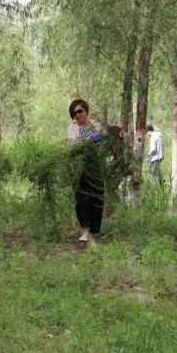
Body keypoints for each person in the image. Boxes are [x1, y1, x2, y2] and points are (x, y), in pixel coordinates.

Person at [67, 99, 104, 245]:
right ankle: (85, 230)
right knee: (81, 199)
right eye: (74, 113)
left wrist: (92, 138)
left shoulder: (96, 124)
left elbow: (100, 138)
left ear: (86, 111)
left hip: (94, 165)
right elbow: (72, 144)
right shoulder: (72, 128)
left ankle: (94, 231)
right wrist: (85, 141)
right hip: (78, 166)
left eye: (80, 111)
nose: (77, 115)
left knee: (97, 197)